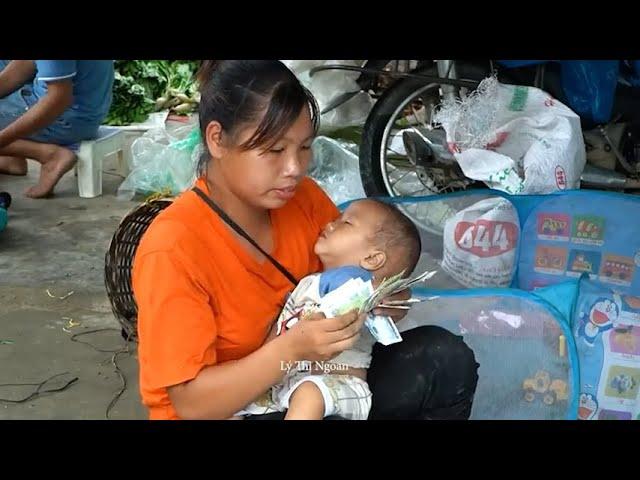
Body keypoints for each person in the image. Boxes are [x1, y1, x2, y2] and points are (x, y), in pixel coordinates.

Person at [132, 60, 479, 420]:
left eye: (304, 148)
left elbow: (361, 268)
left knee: (443, 358)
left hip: (310, 381)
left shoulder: (303, 199)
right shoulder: (173, 246)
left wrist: (387, 296)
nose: (294, 168)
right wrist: (291, 349)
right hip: (233, 409)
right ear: (217, 139)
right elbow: (191, 405)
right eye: (274, 151)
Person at [235, 198, 423, 420]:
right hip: (286, 382)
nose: (329, 225)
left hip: (338, 384)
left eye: (346, 223)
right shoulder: (309, 283)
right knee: (229, 407)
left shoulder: (360, 287)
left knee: (309, 394)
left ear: (372, 259)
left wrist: (387, 295)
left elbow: (380, 298)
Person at [0, 60, 114, 198]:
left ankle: (48, 155)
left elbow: (58, 100)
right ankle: (13, 158)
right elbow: (27, 62)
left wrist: (2, 140)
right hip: (87, 110)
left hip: (66, 120)